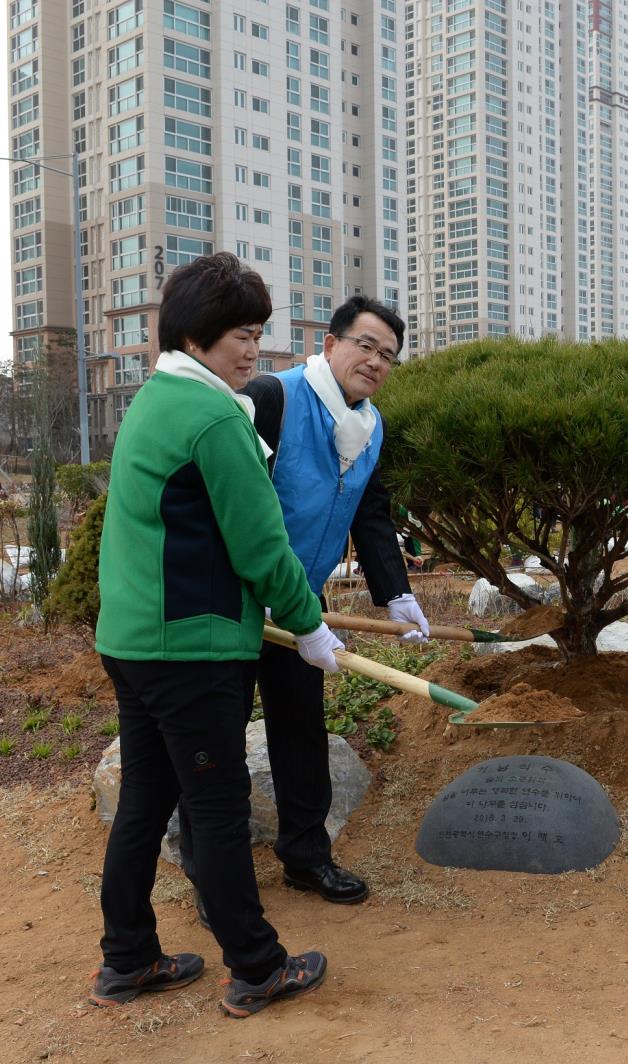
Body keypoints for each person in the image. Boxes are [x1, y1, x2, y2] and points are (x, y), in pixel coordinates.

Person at [92, 253, 339, 1017]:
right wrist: (309, 624)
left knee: (145, 805)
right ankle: (258, 968)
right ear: (199, 334)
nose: (252, 350)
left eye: (259, 334)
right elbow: (262, 546)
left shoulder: (156, 398)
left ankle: (128, 959)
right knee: (219, 810)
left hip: (136, 642)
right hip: (188, 651)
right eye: (242, 333)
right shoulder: (213, 417)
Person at [237, 294, 426, 907]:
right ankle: (219, 878)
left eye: (388, 355)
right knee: (216, 732)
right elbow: (238, 503)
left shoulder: (372, 427)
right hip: (237, 598)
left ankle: (305, 857)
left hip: (301, 603)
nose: (374, 361)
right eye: (365, 345)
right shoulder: (275, 397)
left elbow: (370, 514)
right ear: (330, 343)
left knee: (301, 731)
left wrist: (395, 594)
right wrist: (263, 589)